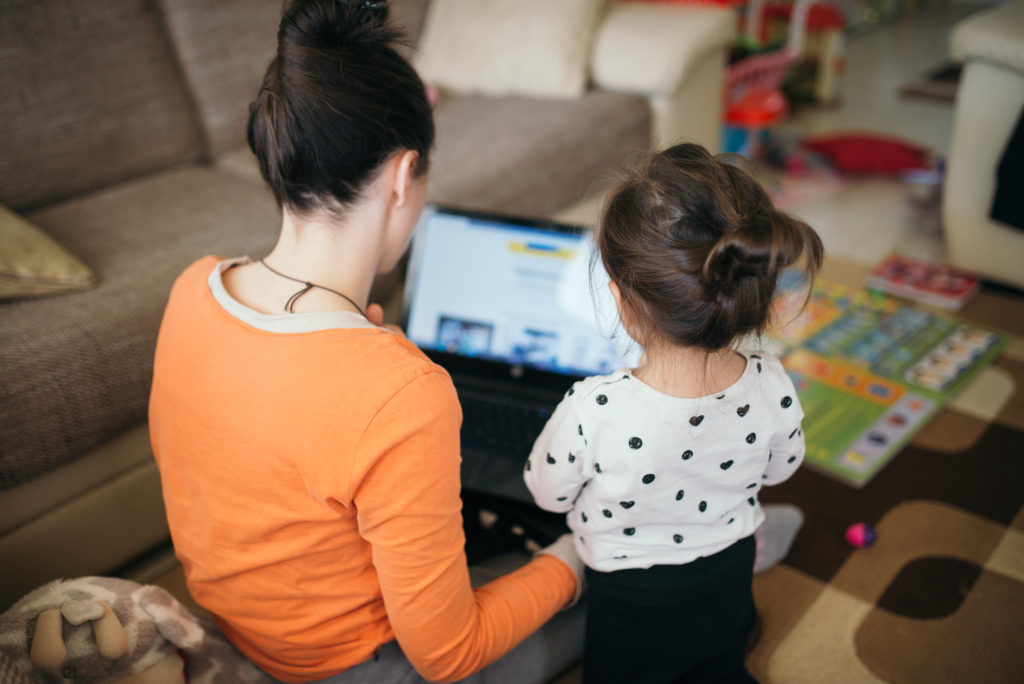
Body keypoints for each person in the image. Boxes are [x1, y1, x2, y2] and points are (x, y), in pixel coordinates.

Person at [148, 2, 584, 683]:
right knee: (619, 575)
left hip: (240, 633)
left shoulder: (192, 289)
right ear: (404, 176)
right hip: (362, 669)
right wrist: (572, 564)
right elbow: (449, 654)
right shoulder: (401, 390)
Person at [524, 143, 824, 684]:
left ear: (621, 301)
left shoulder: (594, 409)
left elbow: (548, 493)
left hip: (629, 589)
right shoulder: (771, 381)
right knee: (720, 654)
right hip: (730, 561)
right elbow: (781, 467)